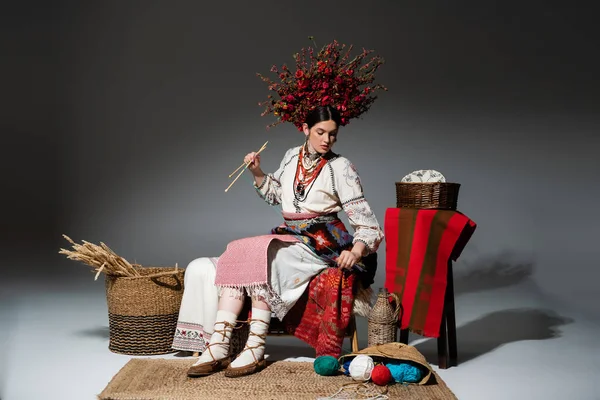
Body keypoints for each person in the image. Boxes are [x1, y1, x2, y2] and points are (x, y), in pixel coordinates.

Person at [186, 105, 384, 378]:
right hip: (291, 235)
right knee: (239, 250)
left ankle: (255, 347)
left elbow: (368, 223)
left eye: (333, 135)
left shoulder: (341, 167)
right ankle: (218, 344)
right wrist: (257, 172)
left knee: (267, 259)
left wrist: (356, 250)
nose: (327, 140)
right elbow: (275, 195)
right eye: (320, 132)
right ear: (305, 129)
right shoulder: (292, 156)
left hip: (323, 242)